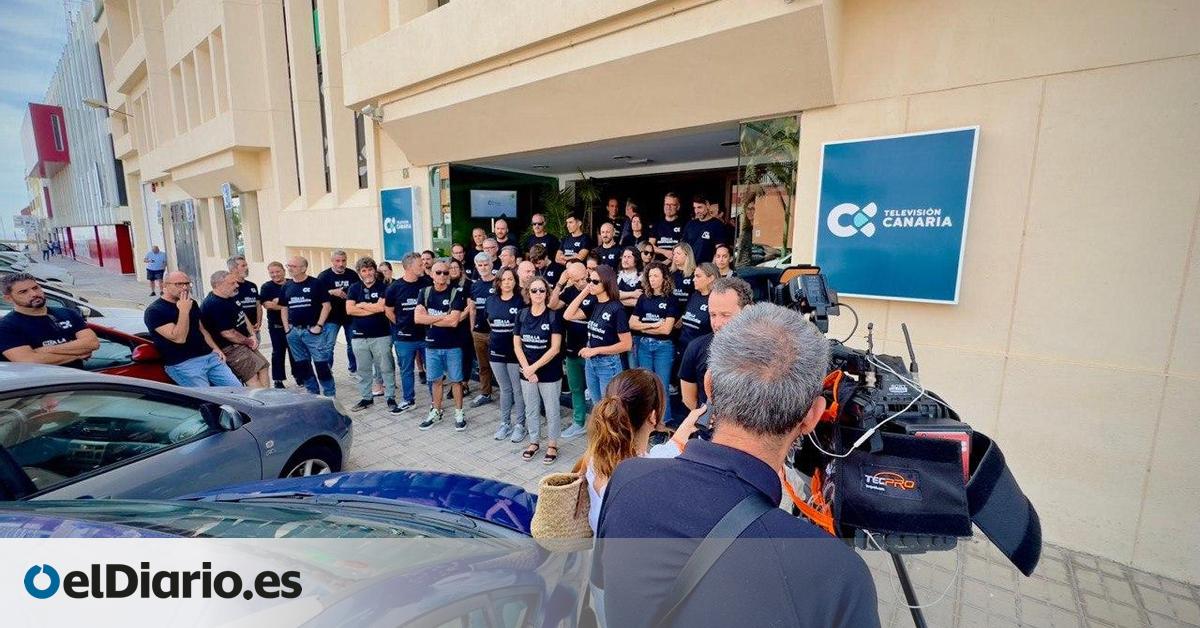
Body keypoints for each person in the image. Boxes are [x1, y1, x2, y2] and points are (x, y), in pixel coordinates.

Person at [596, 303, 879, 628]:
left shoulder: (627, 479)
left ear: (709, 387)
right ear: (812, 416)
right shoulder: (838, 574)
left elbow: (606, 590)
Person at [144, 271, 241, 387]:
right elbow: (179, 338)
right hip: (184, 364)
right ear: (164, 285)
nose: (185, 288)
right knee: (204, 397)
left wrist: (215, 348)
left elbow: (201, 329)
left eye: (187, 283)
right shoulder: (155, 311)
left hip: (209, 357)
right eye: (179, 284)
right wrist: (183, 311)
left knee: (238, 390)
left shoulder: (192, 303)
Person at [565, 265, 631, 418]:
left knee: (610, 411)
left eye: (595, 282)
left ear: (607, 282)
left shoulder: (617, 308)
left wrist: (595, 350)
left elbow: (626, 344)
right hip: (591, 363)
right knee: (597, 407)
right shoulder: (594, 302)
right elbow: (568, 315)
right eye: (589, 280)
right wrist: (585, 292)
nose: (590, 284)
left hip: (608, 364)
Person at [681, 276, 752, 411]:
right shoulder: (696, 348)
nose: (717, 323)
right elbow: (688, 398)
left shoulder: (765, 350)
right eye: (713, 315)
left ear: (747, 311)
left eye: (725, 315)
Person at [513, 276, 564, 463]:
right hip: (527, 371)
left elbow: (555, 348)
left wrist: (533, 368)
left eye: (542, 290)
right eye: (534, 290)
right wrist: (527, 369)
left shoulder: (553, 316)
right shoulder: (521, 314)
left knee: (552, 410)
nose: (538, 294)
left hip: (549, 372)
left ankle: (552, 444)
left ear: (547, 293)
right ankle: (534, 442)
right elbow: (517, 345)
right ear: (528, 292)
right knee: (531, 409)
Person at [414, 259, 468, 431]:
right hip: (432, 346)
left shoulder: (455, 293)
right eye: (438, 272)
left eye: (446, 272)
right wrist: (444, 316)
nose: (442, 275)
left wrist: (430, 318)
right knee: (436, 381)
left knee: (456, 381)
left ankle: (459, 413)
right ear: (431, 274)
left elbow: (453, 322)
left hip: (453, 346)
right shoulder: (424, 292)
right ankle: (436, 411)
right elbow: (418, 318)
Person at [0, 272, 98, 366]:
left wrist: (43, 350)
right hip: (44, 378)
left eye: (35, 288)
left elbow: (92, 343)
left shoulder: (68, 313)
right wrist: (77, 355)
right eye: (23, 292)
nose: (34, 294)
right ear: (8, 299)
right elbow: (29, 360)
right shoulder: (6, 326)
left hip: (80, 376)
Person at [201, 270, 271, 388]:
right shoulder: (214, 304)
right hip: (230, 347)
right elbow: (228, 333)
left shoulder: (231, 296)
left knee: (264, 366)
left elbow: (243, 315)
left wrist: (252, 335)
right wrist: (249, 341)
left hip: (243, 342)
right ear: (218, 285)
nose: (237, 285)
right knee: (252, 376)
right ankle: (260, 399)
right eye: (232, 283)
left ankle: (267, 396)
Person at [345, 257, 397, 412]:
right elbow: (350, 310)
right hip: (359, 336)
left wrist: (361, 305)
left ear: (375, 270)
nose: (367, 273)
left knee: (386, 367)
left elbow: (381, 308)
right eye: (364, 270)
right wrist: (371, 308)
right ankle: (366, 398)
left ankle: (390, 397)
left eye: (370, 269)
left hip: (381, 335)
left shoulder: (384, 287)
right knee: (363, 369)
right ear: (359, 273)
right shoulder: (354, 288)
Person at [280, 256, 335, 397]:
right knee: (303, 365)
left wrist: (319, 326)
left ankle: (329, 396)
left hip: (313, 332)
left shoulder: (316, 283)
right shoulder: (286, 286)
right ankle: (312, 394)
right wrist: (287, 329)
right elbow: (284, 308)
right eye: (288, 265)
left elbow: (327, 306)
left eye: (293, 266)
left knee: (322, 365)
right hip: (294, 332)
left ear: (303, 268)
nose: (289, 269)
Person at [629, 262, 677, 424]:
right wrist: (654, 325)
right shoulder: (644, 298)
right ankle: (648, 422)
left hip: (663, 347)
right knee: (647, 386)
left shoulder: (671, 299)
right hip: (644, 346)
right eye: (650, 276)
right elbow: (632, 323)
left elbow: (666, 330)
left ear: (664, 278)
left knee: (662, 386)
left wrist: (643, 327)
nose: (652, 279)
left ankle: (664, 423)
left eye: (656, 276)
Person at [549, 260, 592, 439]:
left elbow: (573, 314)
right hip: (572, 349)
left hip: (592, 351)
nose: (581, 283)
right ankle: (578, 422)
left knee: (597, 393)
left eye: (583, 278)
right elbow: (552, 305)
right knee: (576, 388)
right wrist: (560, 283)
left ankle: (599, 426)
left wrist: (585, 289)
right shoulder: (570, 290)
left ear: (587, 272)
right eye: (576, 280)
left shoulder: (595, 290)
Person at [384, 253, 431, 413]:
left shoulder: (426, 283)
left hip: (426, 336)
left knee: (432, 370)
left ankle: (435, 402)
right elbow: (388, 310)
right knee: (406, 371)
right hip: (404, 338)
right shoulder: (394, 287)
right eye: (420, 264)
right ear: (409, 267)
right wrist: (401, 325)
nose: (423, 267)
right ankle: (408, 400)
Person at [485, 267, 526, 441]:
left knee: (518, 389)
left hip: (515, 352)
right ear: (498, 282)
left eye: (510, 279)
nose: (507, 282)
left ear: (515, 281)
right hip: (496, 351)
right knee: (505, 389)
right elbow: (489, 321)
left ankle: (520, 425)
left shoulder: (520, 301)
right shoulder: (491, 300)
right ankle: (505, 423)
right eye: (504, 279)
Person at [318, 250, 361, 375]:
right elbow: (316, 296)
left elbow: (359, 291)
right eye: (337, 261)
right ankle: (327, 372)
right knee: (329, 346)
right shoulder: (324, 276)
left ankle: (353, 369)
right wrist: (332, 292)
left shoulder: (352, 274)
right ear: (332, 261)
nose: (341, 264)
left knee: (353, 344)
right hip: (331, 317)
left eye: (343, 260)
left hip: (350, 316)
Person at [258, 261, 297, 388]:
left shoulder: (292, 283)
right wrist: (288, 304)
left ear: (284, 271)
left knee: (295, 352)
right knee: (278, 353)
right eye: (272, 272)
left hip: (293, 325)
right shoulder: (267, 287)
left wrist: (278, 302)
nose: (275, 274)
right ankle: (278, 380)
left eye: (277, 271)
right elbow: (267, 305)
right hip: (276, 326)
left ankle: (299, 376)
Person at [675, 262, 717, 378]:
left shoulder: (715, 300)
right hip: (684, 351)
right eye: (694, 276)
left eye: (698, 276)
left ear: (710, 278)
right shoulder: (694, 296)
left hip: (702, 355)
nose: (694, 279)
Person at [466, 253, 496, 408]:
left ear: (491, 264)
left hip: (496, 333)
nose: (483, 268)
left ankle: (509, 394)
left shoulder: (498, 283)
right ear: (476, 267)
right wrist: (472, 329)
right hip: (479, 332)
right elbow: (472, 309)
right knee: (483, 366)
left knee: (502, 367)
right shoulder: (474, 286)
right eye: (480, 265)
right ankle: (486, 393)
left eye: (486, 264)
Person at [448, 257, 475, 399]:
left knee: (465, 355)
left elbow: (471, 307)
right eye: (450, 268)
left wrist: (458, 319)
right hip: (448, 326)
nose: (453, 270)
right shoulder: (444, 284)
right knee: (453, 356)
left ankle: (464, 383)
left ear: (461, 269)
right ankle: (455, 383)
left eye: (456, 267)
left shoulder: (468, 284)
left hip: (463, 325)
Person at [682, 193, 731, 264]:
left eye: (699, 207)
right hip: (689, 267)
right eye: (695, 208)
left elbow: (719, 250)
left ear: (707, 205)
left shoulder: (717, 225)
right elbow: (683, 247)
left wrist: (711, 268)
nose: (696, 211)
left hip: (706, 268)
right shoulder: (690, 224)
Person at [227, 256, 262, 341]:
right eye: (243, 266)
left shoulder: (252, 285)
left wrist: (258, 322)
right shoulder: (229, 287)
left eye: (246, 265)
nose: (247, 268)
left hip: (255, 330)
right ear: (233, 269)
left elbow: (258, 305)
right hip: (240, 332)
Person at [653, 192, 687, 259]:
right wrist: (665, 252)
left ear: (678, 207)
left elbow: (684, 247)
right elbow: (650, 246)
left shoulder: (684, 224)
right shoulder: (657, 224)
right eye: (667, 204)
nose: (668, 207)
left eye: (672, 205)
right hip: (658, 262)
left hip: (677, 261)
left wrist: (670, 259)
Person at [669, 243, 696, 313]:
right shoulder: (669, 273)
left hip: (688, 311)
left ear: (687, 255)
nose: (675, 256)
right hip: (670, 311)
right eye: (674, 254)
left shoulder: (695, 274)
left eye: (678, 253)